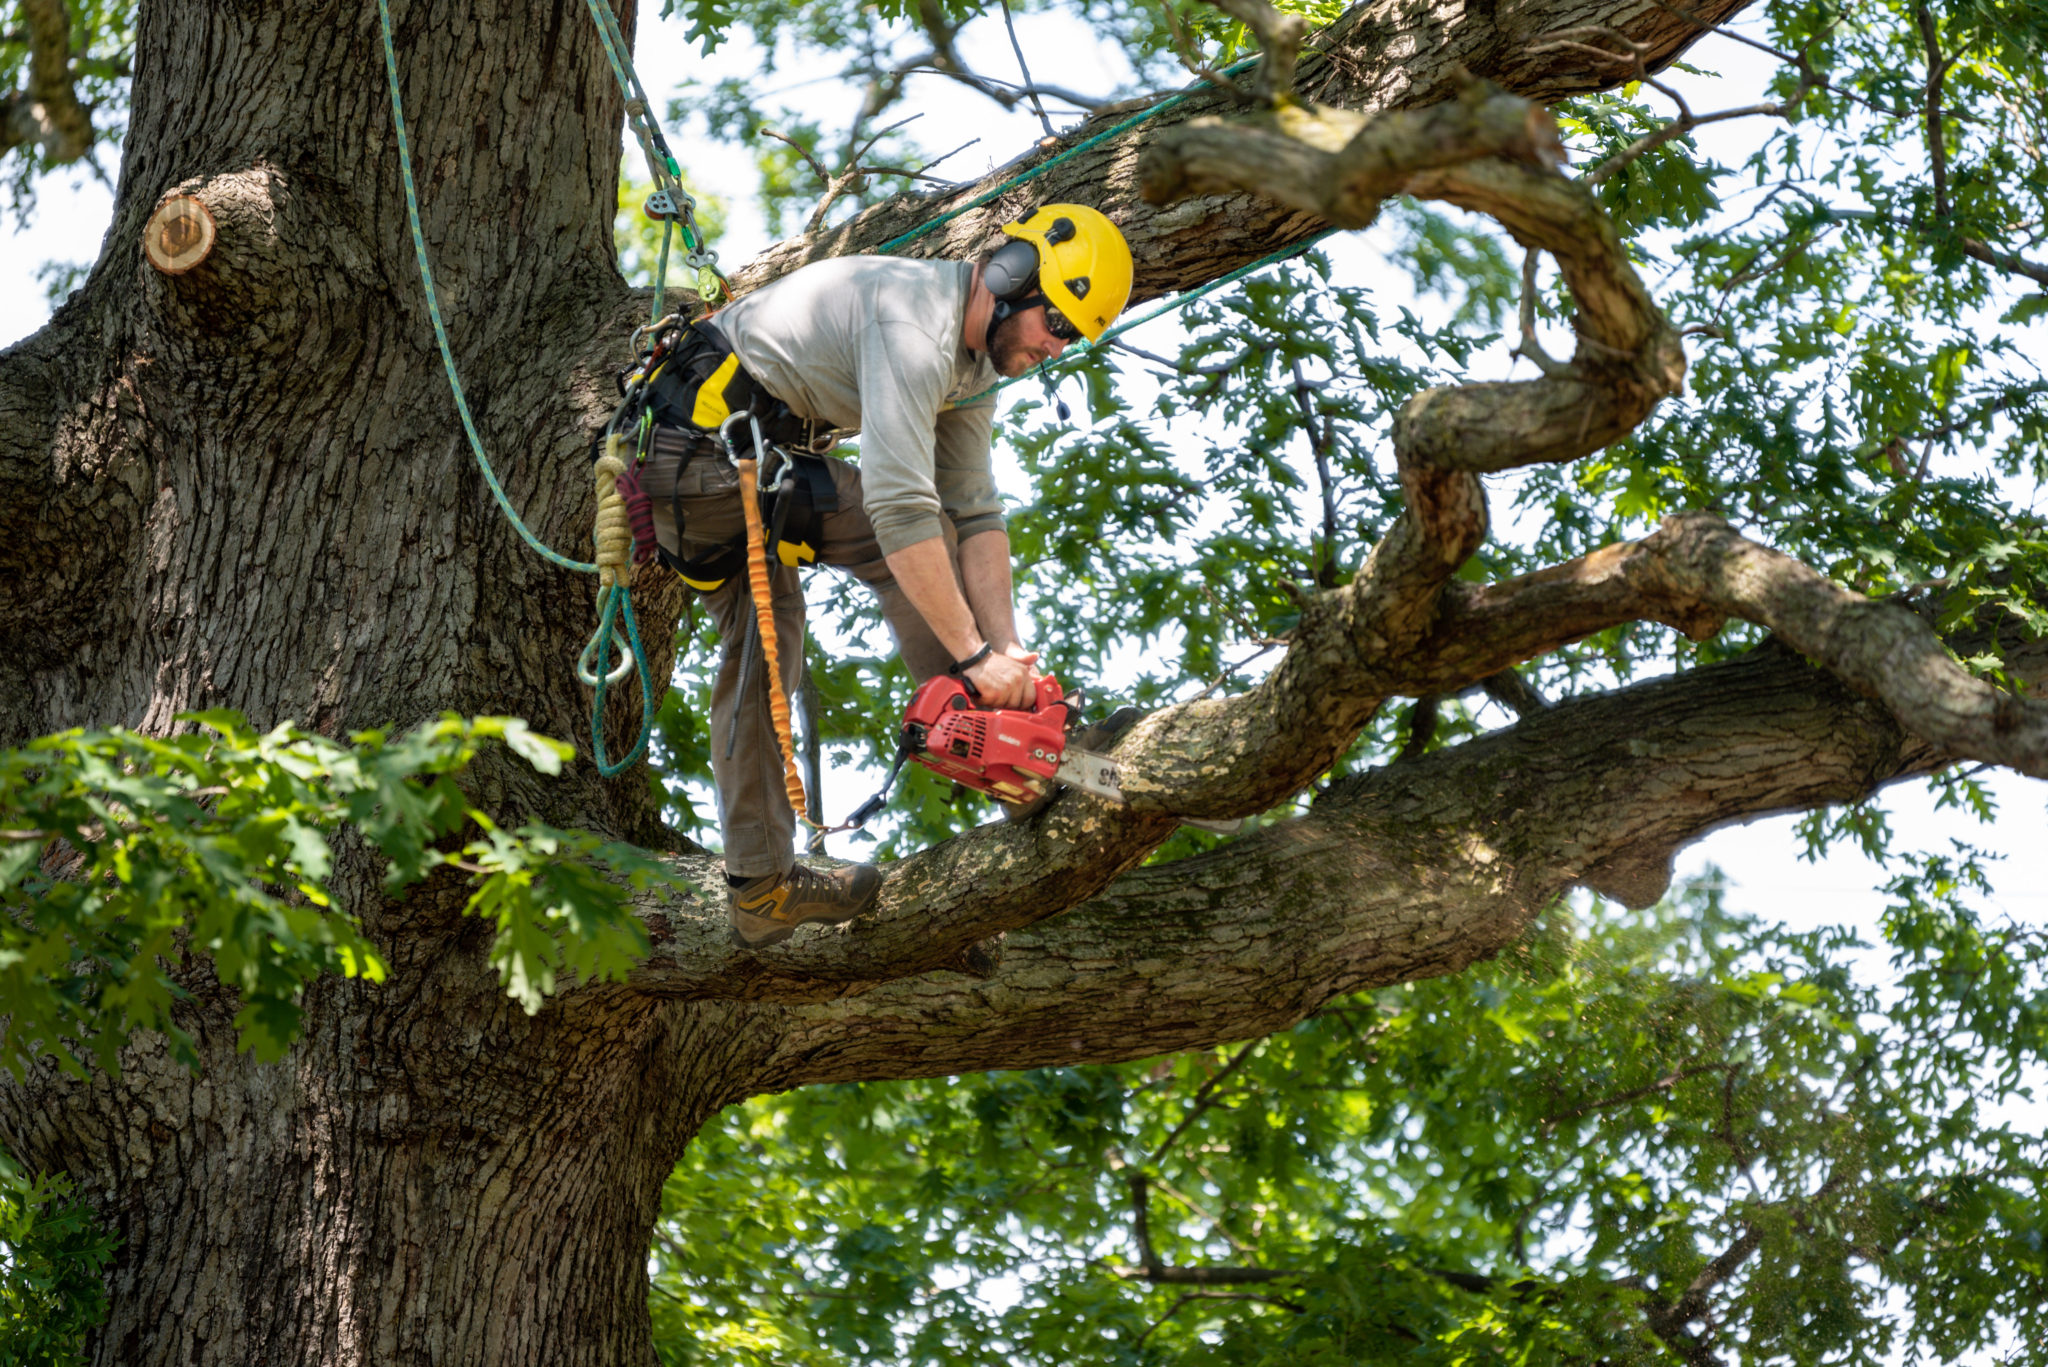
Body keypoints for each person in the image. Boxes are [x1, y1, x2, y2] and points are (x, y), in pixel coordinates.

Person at [634, 203, 1134, 949]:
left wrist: (1008, 653)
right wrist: (972, 660)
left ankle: (760, 885)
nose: (1057, 349)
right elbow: (903, 509)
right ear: (1011, 278)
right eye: (1057, 325)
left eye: (1073, 339)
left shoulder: (971, 370)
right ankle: (990, 741)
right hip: (706, 458)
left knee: (765, 653)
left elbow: (977, 511)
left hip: (714, 472)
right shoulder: (912, 324)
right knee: (893, 526)